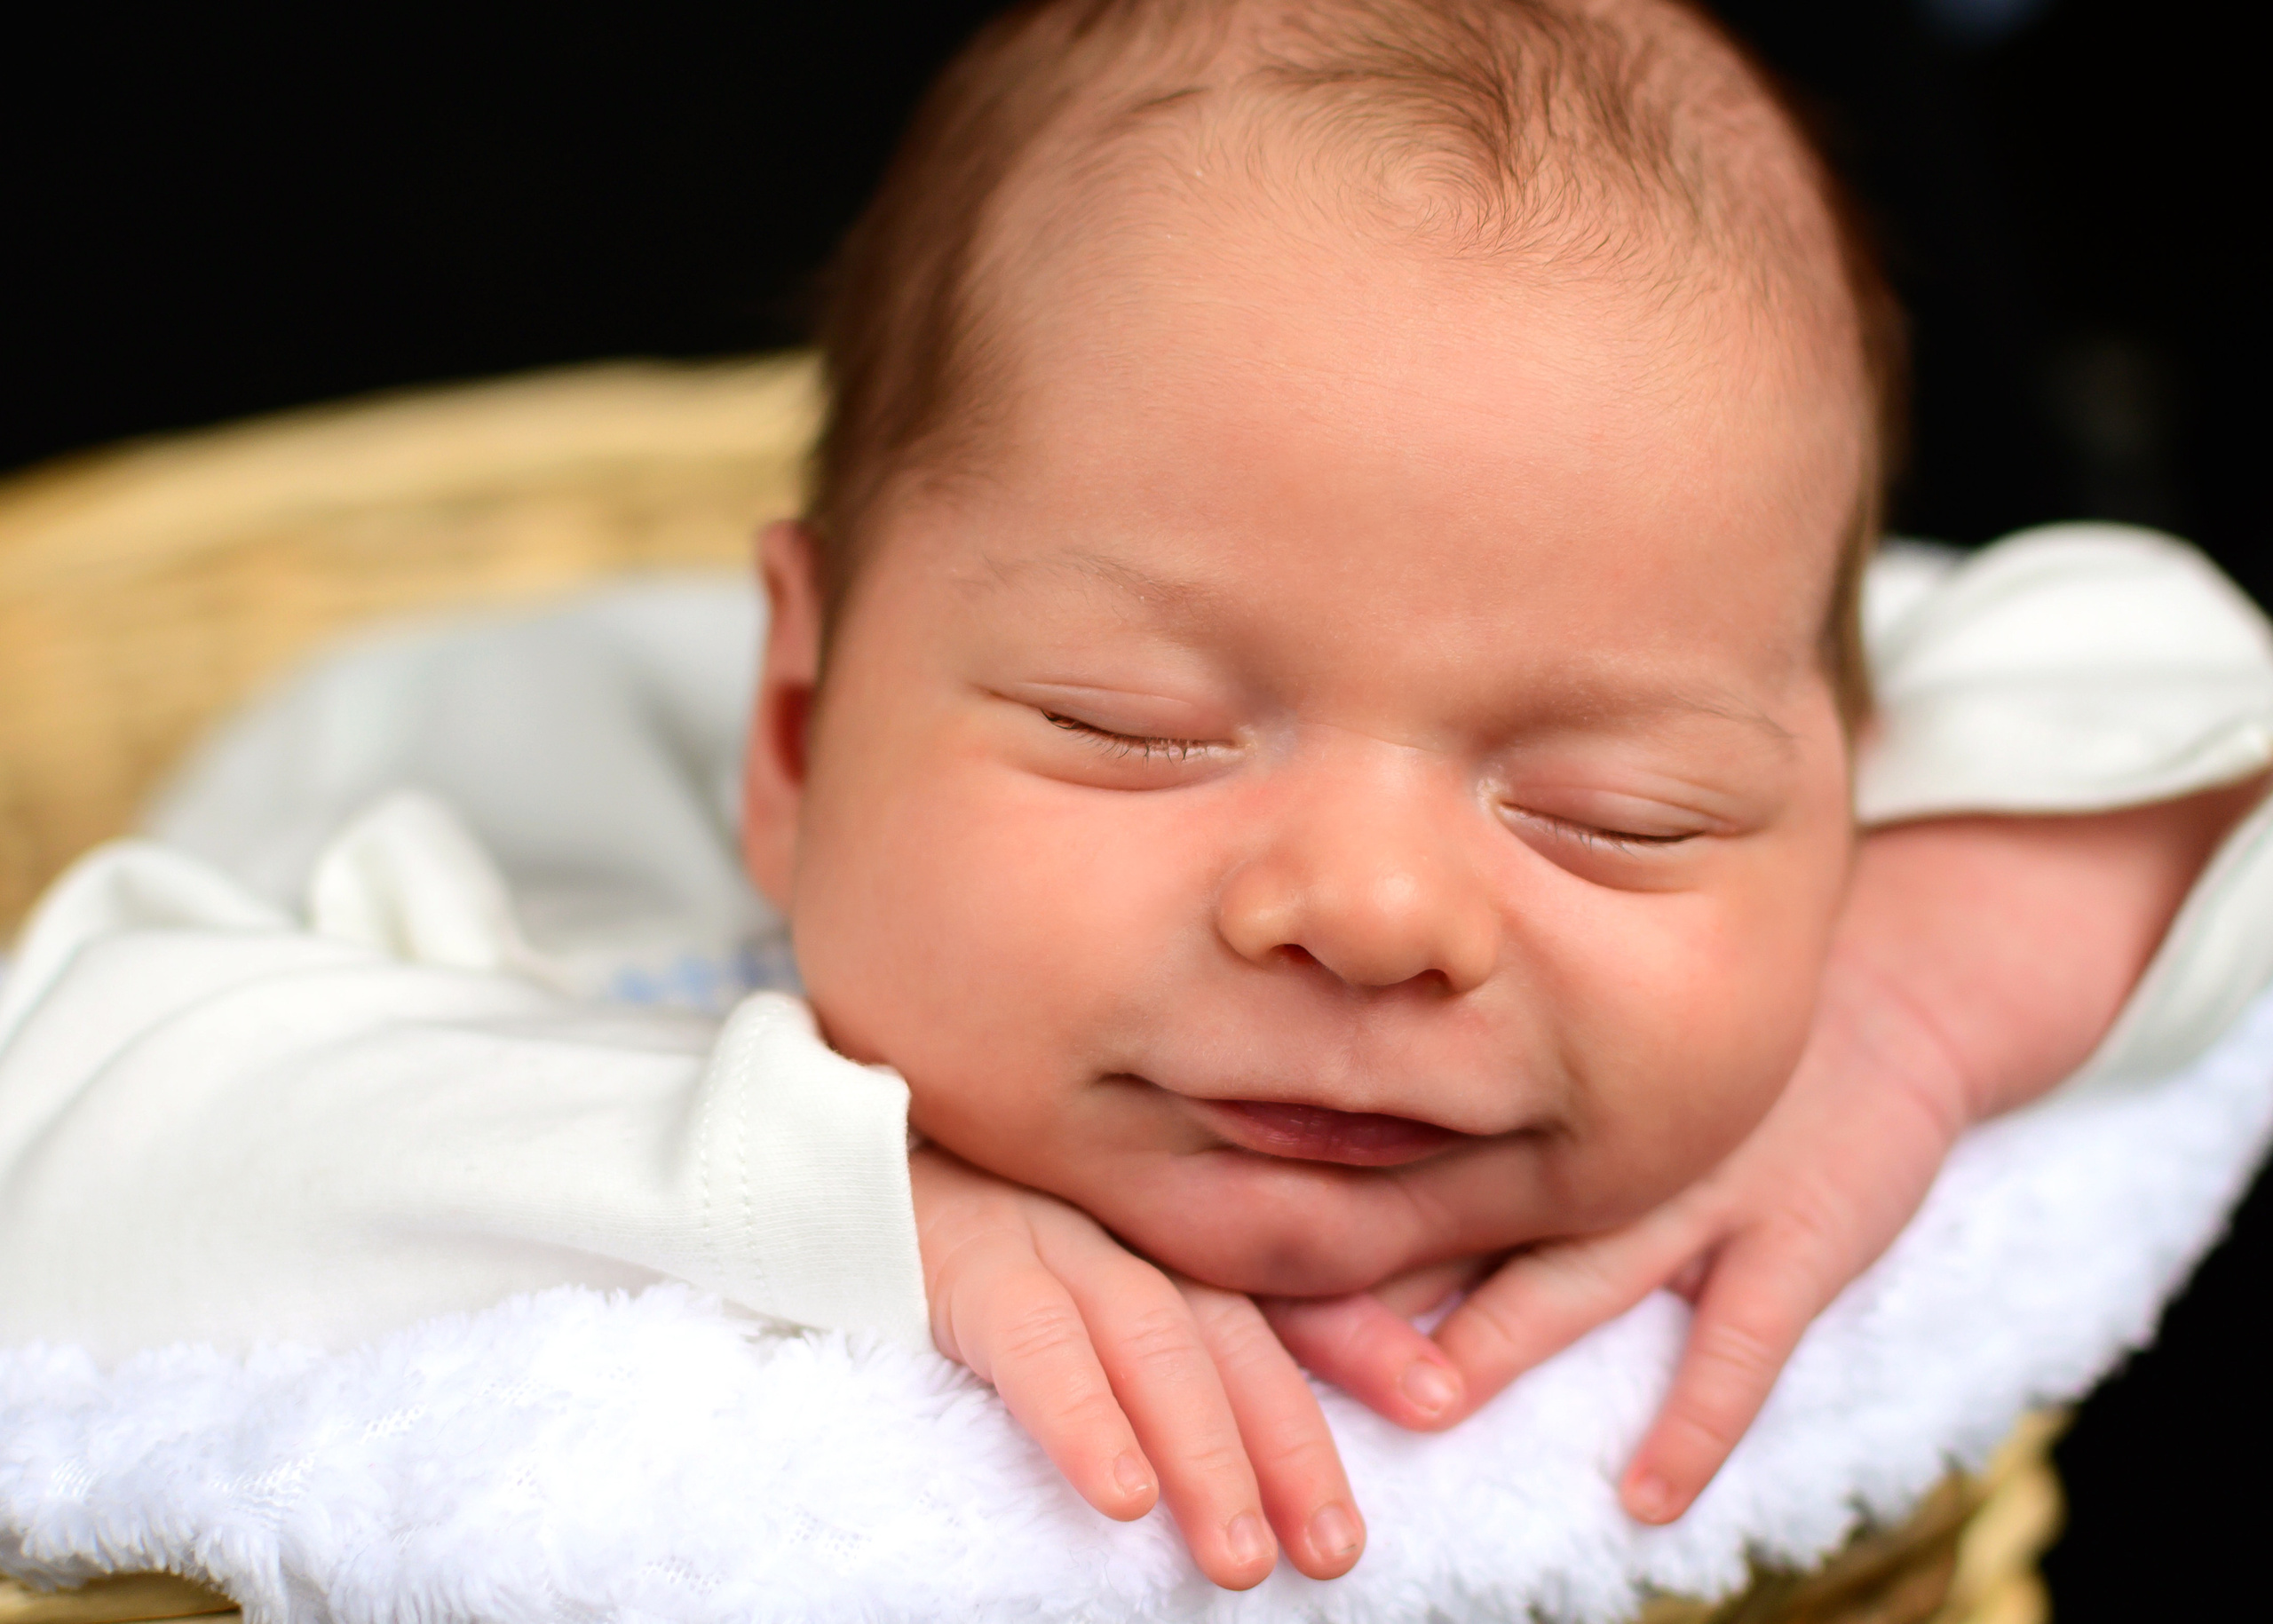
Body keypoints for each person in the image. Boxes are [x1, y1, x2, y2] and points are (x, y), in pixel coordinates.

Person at [4, 0, 2271, 1594]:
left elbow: (2188, 680)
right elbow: (69, 1132)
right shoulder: (481, 885)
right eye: (1133, 724)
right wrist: (845, 1204)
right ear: (794, 738)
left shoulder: (1691, 665)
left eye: (1618, 810)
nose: (1375, 909)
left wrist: (1895, 1004)